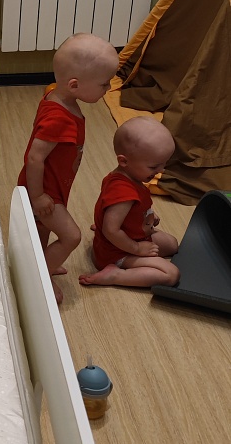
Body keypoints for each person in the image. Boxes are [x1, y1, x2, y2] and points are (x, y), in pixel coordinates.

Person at [18, 33, 120, 302]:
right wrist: (38, 196)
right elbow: (35, 158)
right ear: (74, 85)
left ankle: (43, 263)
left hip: (52, 186)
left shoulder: (56, 93)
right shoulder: (59, 118)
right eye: (104, 83)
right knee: (71, 236)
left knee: (42, 229)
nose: (108, 88)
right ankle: (40, 277)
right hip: (44, 190)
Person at [80, 117, 180, 289]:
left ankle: (109, 240)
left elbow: (120, 208)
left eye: (164, 164)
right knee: (171, 275)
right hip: (115, 252)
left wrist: (147, 214)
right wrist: (137, 249)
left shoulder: (128, 176)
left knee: (172, 245)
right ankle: (115, 275)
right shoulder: (123, 191)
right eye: (154, 167)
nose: (161, 171)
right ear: (124, 161)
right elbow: (111, 230)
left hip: (129, 238)